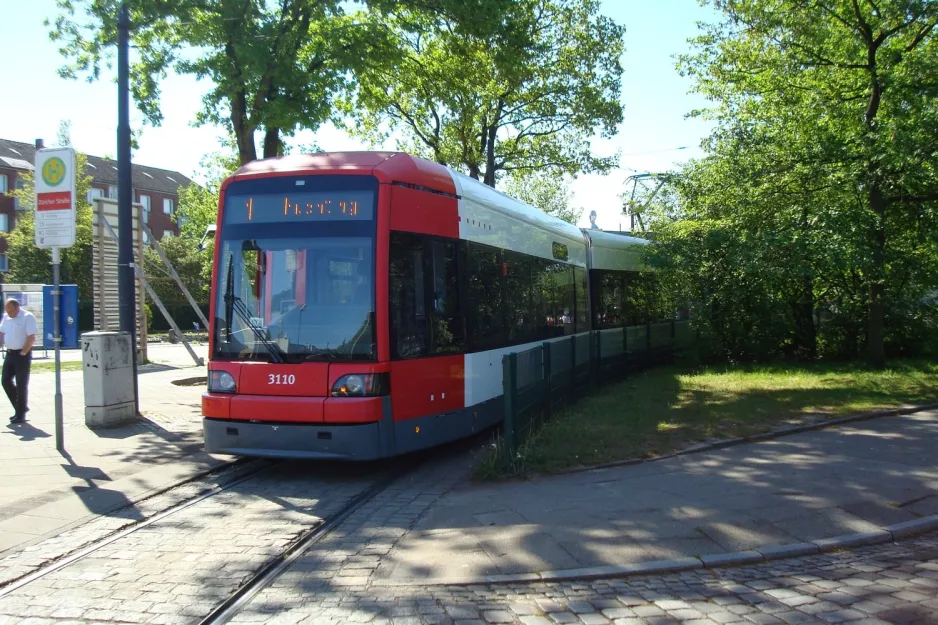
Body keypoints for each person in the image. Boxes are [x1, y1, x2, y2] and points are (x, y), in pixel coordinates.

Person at [0, 298, 37, 424]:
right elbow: (2, 333)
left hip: (22, 354)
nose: (9, 314)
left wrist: (23, 352)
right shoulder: (6, 317)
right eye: (7, 311)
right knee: (5, 380)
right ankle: (20, 406)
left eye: (11, 311)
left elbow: (31, 337)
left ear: (17, 308)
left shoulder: (27, 317)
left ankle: (20, 414)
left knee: (21, 384)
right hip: (10, 353)